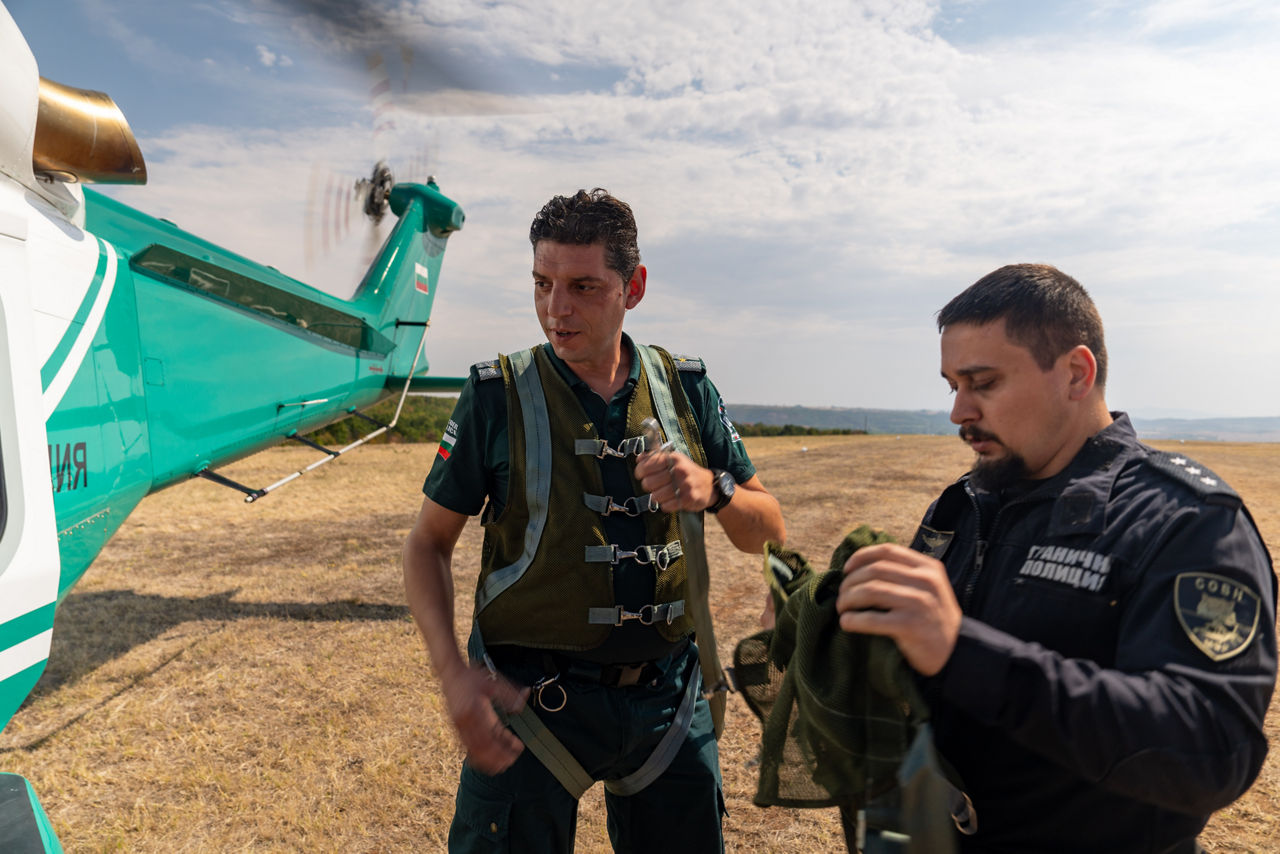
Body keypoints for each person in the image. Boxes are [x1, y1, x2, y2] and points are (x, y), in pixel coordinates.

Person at [836, 263, 1276, 853]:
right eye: (952, 386)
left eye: (983, 383)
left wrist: (964, 650)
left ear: (1075, 373)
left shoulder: (1187, 521)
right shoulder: (964, 503)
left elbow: (1210, 748)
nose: (959, 411)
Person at [403, 188, 785, 853]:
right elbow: (428, 544)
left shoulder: (686, 388)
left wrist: (712, 488)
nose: (557, 308)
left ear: (632, 287)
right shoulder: (497, 395)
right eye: (542, 283)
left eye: (583, 286)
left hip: (667, 703)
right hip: (533, 707)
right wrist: (451, 674)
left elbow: (768, 528)